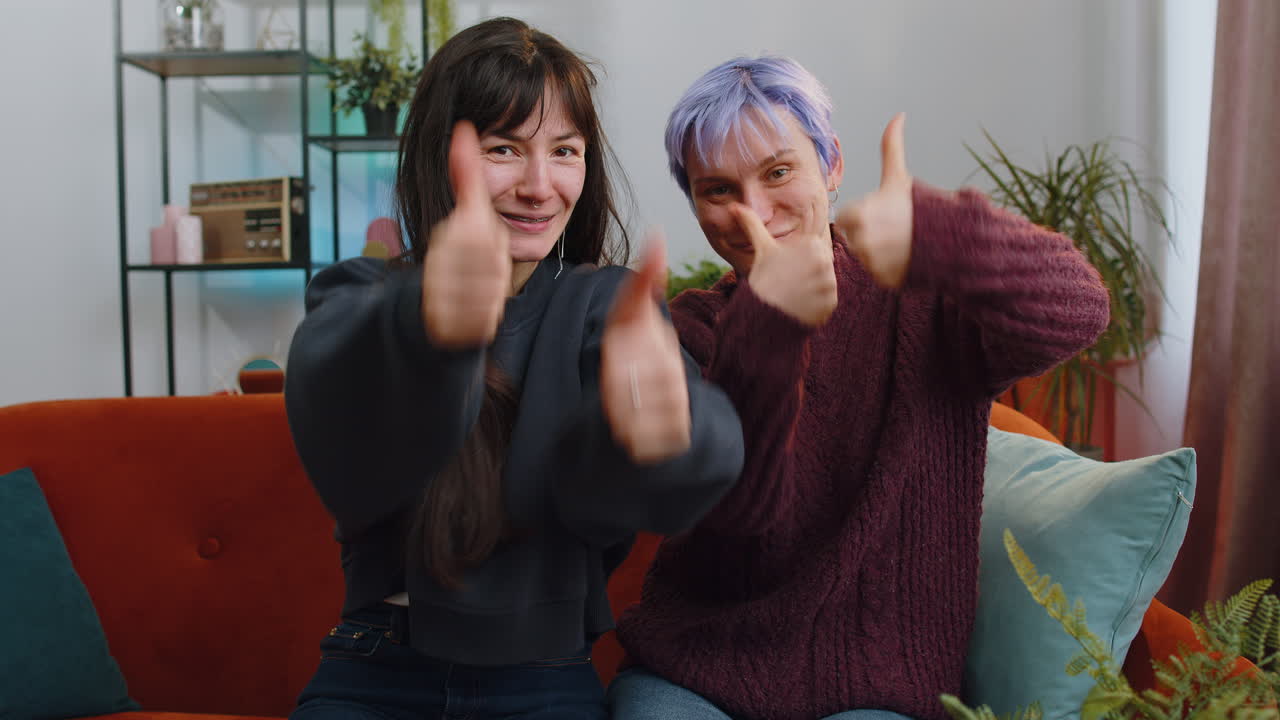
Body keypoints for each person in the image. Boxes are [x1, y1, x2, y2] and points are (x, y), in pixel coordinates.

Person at [609, 56, 1111, 720]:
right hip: (693, 672)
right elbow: (740, 517)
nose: (753, 212)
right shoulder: (693, 330)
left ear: (832, 164)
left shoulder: (923, 306)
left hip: (877, 687)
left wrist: (941, 234)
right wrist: (767, 328)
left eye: (779, 171)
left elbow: (1079, 312)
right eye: (719, 189)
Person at [283, 18, 744, 720]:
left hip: (543, 679)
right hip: (373, 665)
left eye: (565, 150)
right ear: (443, 157)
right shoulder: (358, 295)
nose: (539, 185)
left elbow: (668, 468)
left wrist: (668, 433)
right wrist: (429, 322)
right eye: (505, 148)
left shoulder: (605, 305)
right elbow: (347, 442)